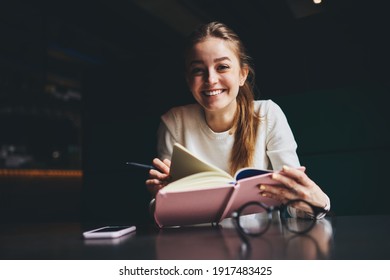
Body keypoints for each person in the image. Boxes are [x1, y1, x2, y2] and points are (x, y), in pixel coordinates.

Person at [146, 21, 330, 214]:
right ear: (188, 80)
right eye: (198, 70)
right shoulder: (173, 122)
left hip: (261, 241)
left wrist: (319, 202)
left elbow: (297, 204)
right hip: (195, 241)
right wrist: (160, 198)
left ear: (242, 75)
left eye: (222, 67)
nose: (211, 79)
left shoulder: (267, 114)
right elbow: (162, 212)